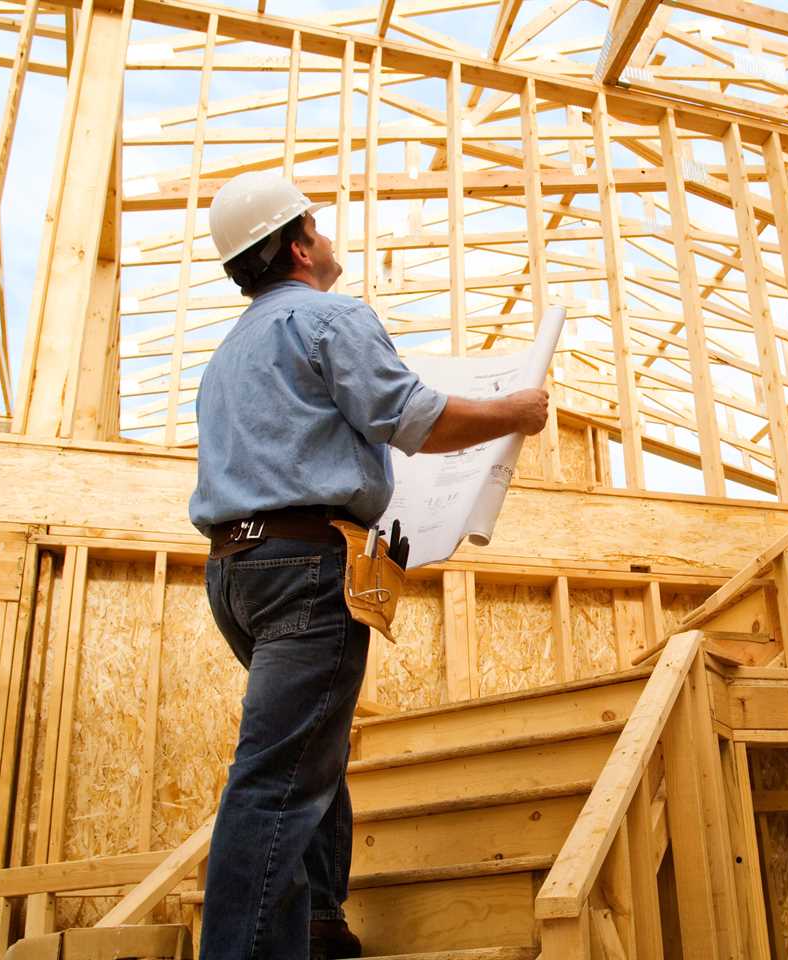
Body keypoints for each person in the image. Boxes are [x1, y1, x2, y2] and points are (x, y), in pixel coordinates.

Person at [189, 171, 549, 960]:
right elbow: (416, 420)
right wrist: (514, 412)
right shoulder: (330, 317)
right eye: (314, 226)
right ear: (296, 245)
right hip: (303, 570)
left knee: (307, 748)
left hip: (236, 574)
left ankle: (317, 925)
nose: (324, 237)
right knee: (275, 773)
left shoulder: (228, 354)